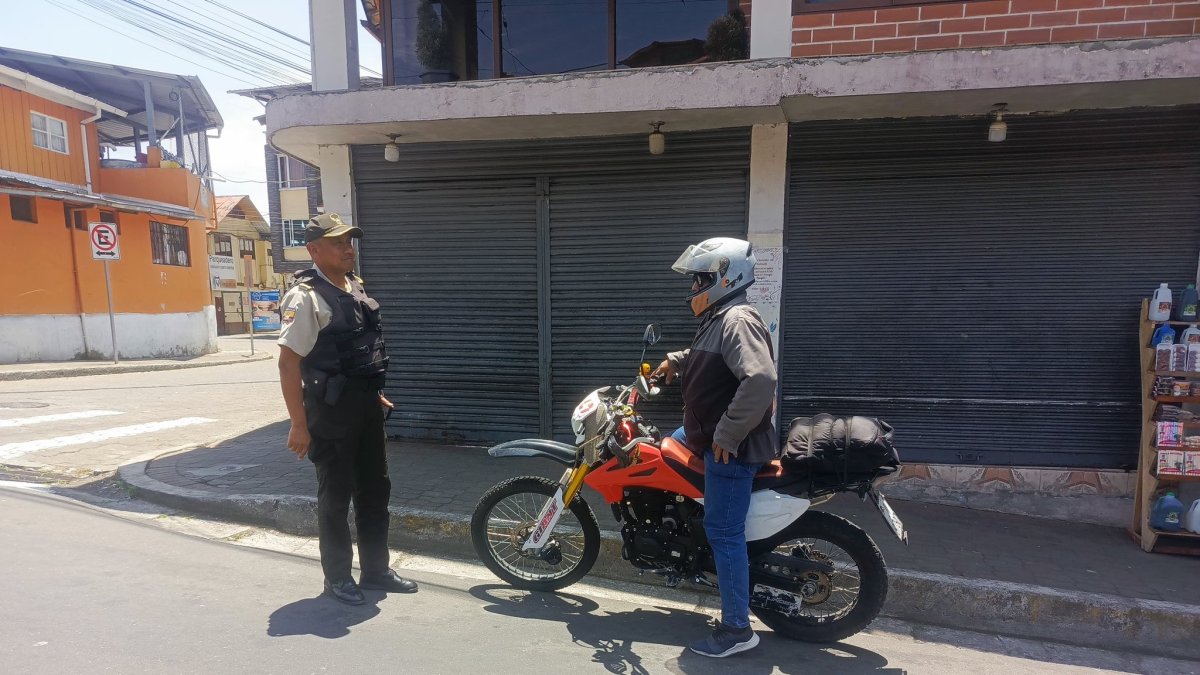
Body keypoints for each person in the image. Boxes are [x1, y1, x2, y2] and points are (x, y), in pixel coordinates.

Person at [276, 213, 418, 605]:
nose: (347, 247)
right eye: (337, 242)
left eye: (349, 240)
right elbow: (289, 364)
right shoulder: (305, 297)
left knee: (375, 491)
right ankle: (337, 577)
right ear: (314, 250)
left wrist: (372, 395)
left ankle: (375, 571)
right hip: (329, 413)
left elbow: (359, 353)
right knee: (335, 497)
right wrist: (297, 425)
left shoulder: (353, 287)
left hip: (365, 408)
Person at [652, 237, 778, 658]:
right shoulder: (720, 316)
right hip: (704, 432)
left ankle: (737, 630)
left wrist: (727, 434)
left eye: (701, 279)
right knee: (665, 445)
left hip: (730, 447)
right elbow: (712, 356)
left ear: (725, 277)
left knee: (724, 532)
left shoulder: (737, 318)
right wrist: (678, 360)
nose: (694, 288)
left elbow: (759, 379)